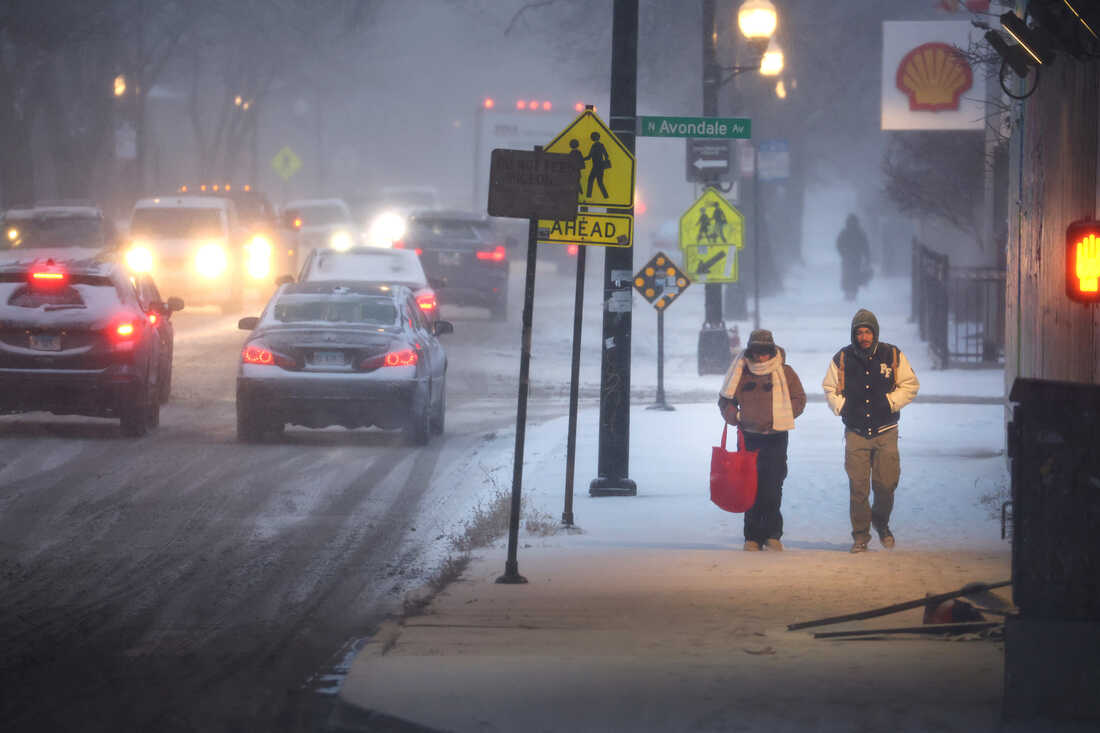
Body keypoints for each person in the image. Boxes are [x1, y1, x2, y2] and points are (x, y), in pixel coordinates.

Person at [822, 309, 920, 553]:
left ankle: (881, 521)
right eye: (859, 332)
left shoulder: (892, 354)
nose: (863, 337)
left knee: (886, 484)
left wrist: (890, 402)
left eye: (867, 332)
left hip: (886, 430)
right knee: (858, 487)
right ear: (853, 334)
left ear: (875, 333)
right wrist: (842, 407)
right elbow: (829, 387)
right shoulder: (842, 358)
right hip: (855, 432)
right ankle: (860, 536)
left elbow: (910, 385)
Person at [717, 329, 806, 552]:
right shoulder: (740, 372)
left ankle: (772, 534)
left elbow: (800, 399)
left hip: (776, 437)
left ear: (772, 351)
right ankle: (752, 537)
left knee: (773, 487)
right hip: (748, 438)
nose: (761, 357)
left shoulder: (786, 372)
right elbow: (725, 400)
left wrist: (783, 414)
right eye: (756, 352)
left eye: (765, 352)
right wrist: (736, 416)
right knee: (750, 487)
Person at [836, 213, 871, 301]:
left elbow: (838, 244)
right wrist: (867, 257)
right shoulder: (860, 233)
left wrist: (843, 253)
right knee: (854, 274)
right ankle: (853, 293)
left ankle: (848, 292)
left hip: (848, 257)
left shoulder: (844, 232)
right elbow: (865, 246)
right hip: (856, 257)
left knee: (847, 274)